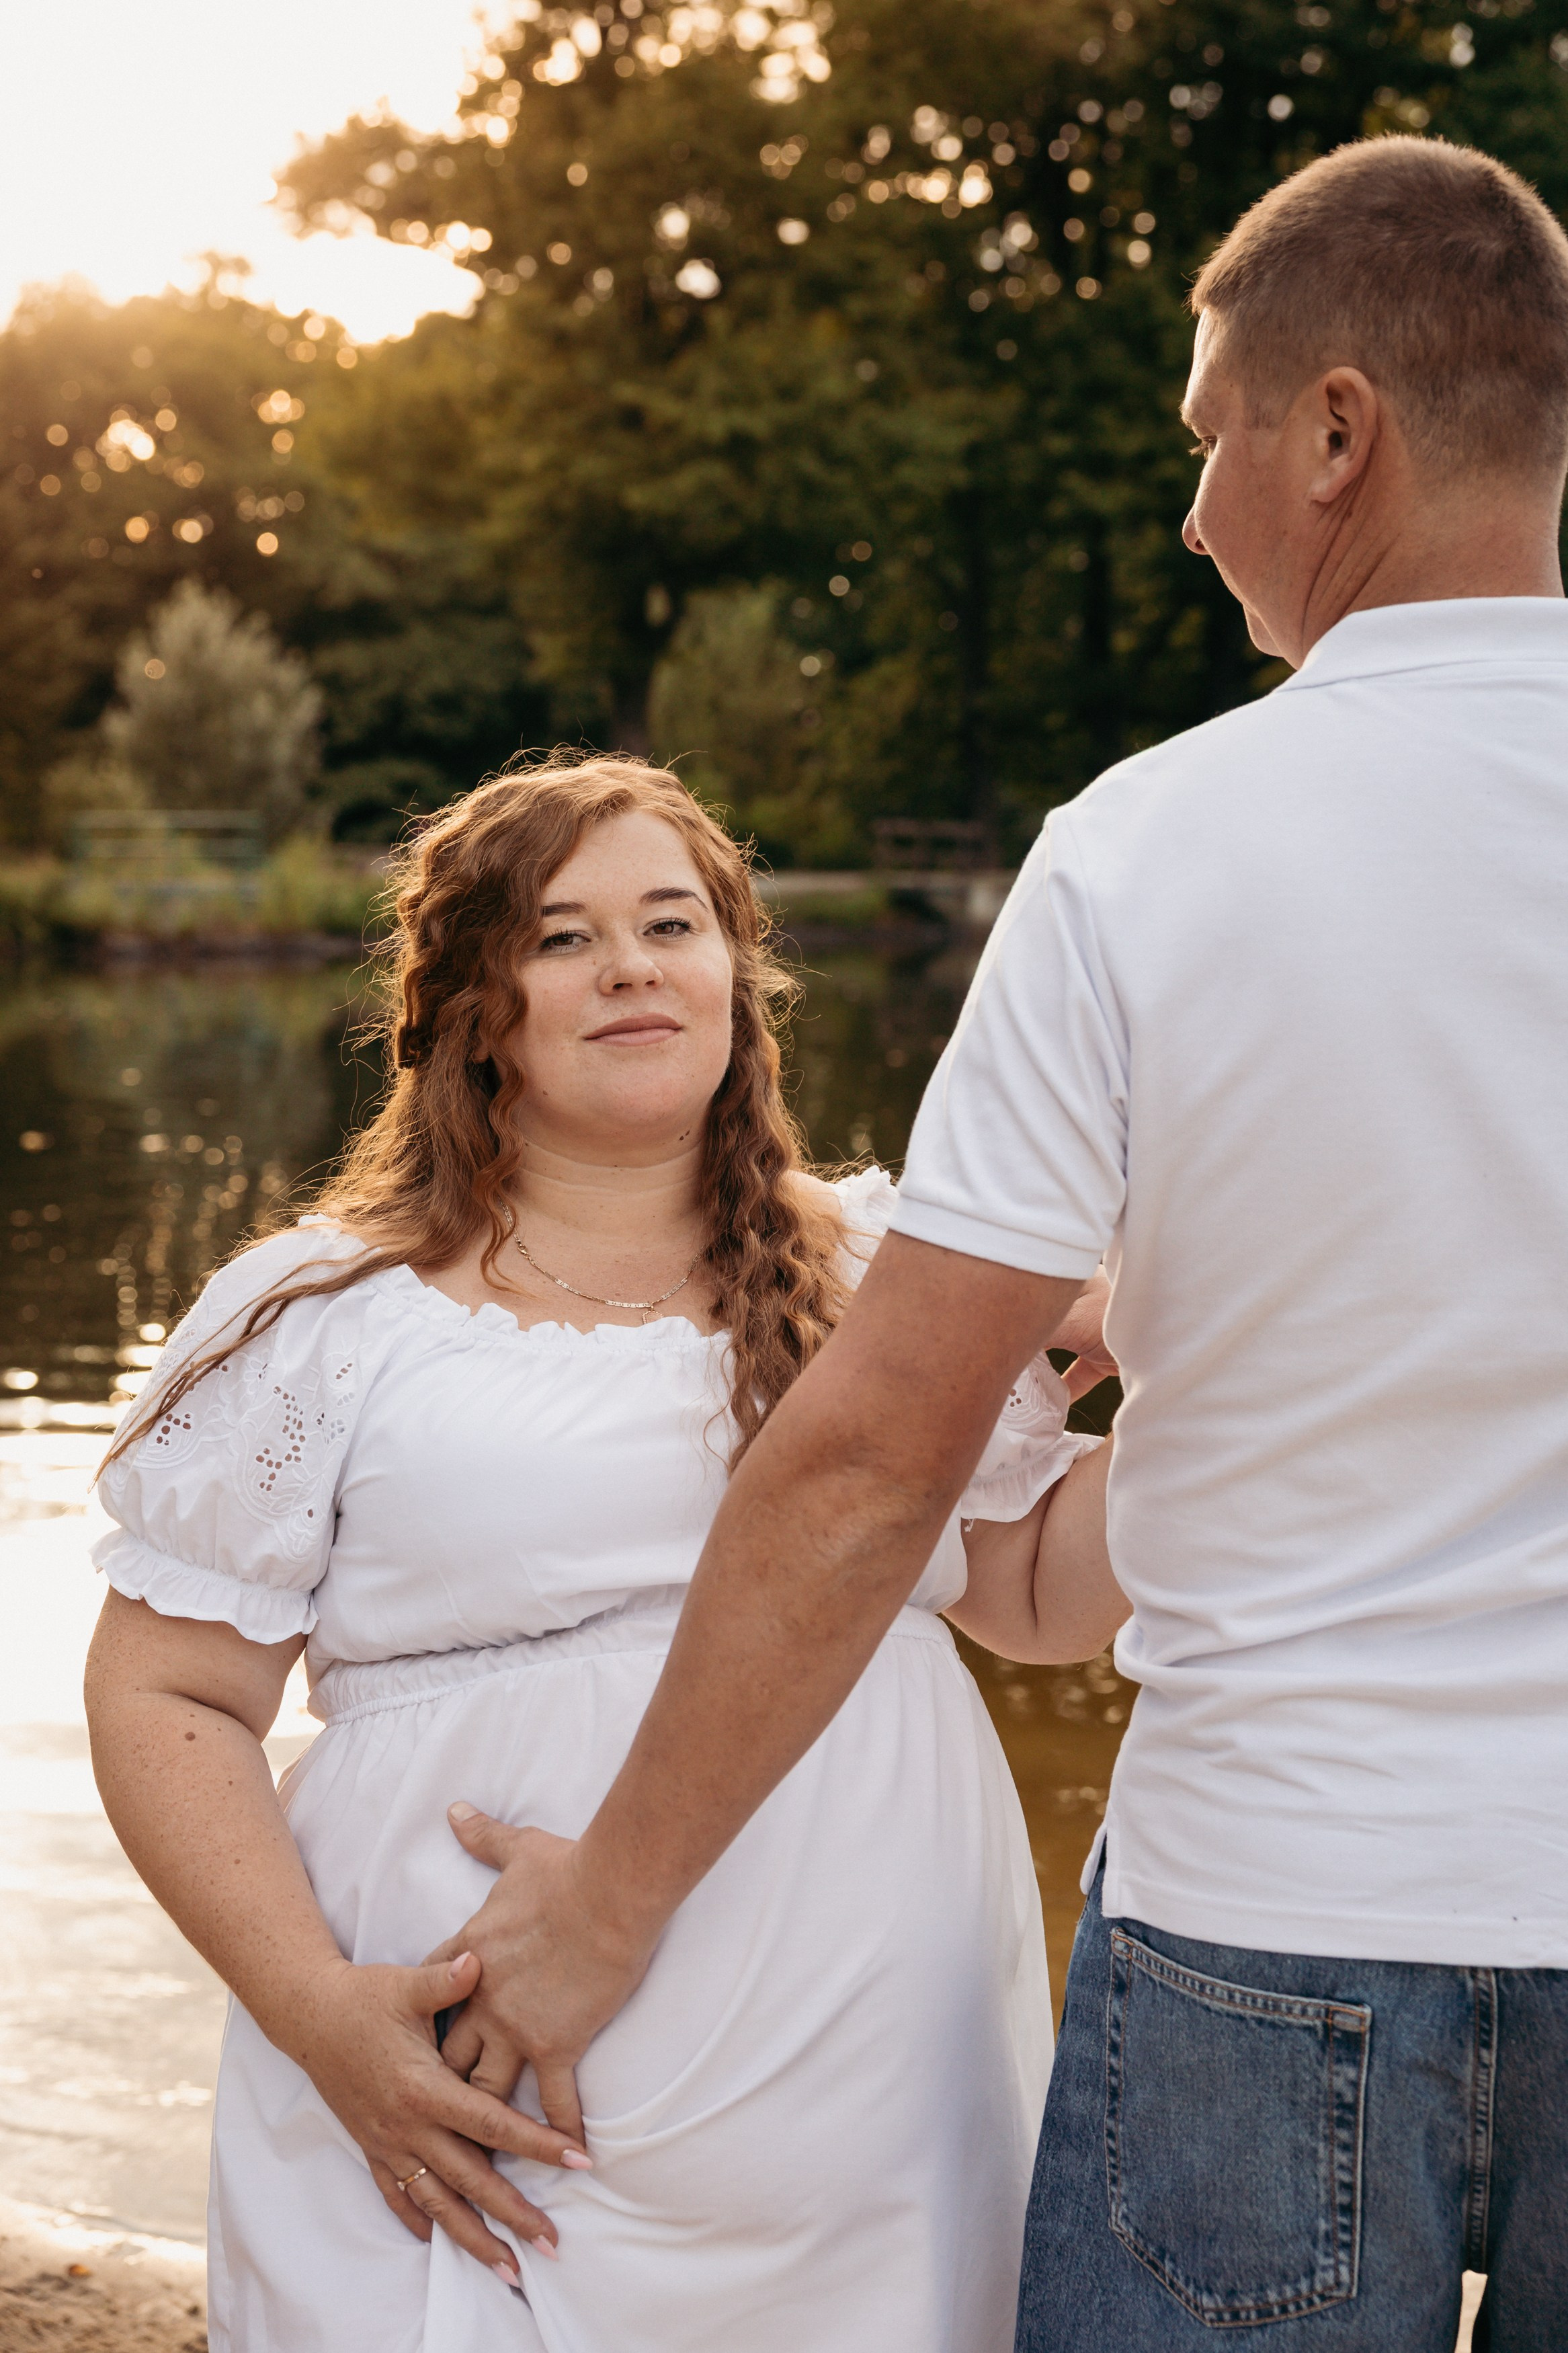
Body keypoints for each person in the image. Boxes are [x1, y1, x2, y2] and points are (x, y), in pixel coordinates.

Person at [436, 138, 1568, 2350]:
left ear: (1337, 431)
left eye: (1208, 438)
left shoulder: (1149, 857)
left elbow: (870, 1464)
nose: (1190, 510)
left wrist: (610, 1910)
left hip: (1280, 1921)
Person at [83, 757, 1124, 2353]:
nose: (633, 964)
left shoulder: (883, 1274)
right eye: (564, 939)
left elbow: (1040, 1596)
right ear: (470, 1012)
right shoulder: (325, 1316)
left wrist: (1221, 1366)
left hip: (864, 2101)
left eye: (672, 922)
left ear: (739, 979)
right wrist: (319, 2016)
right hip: (457, 2101)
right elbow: (167, 1689)